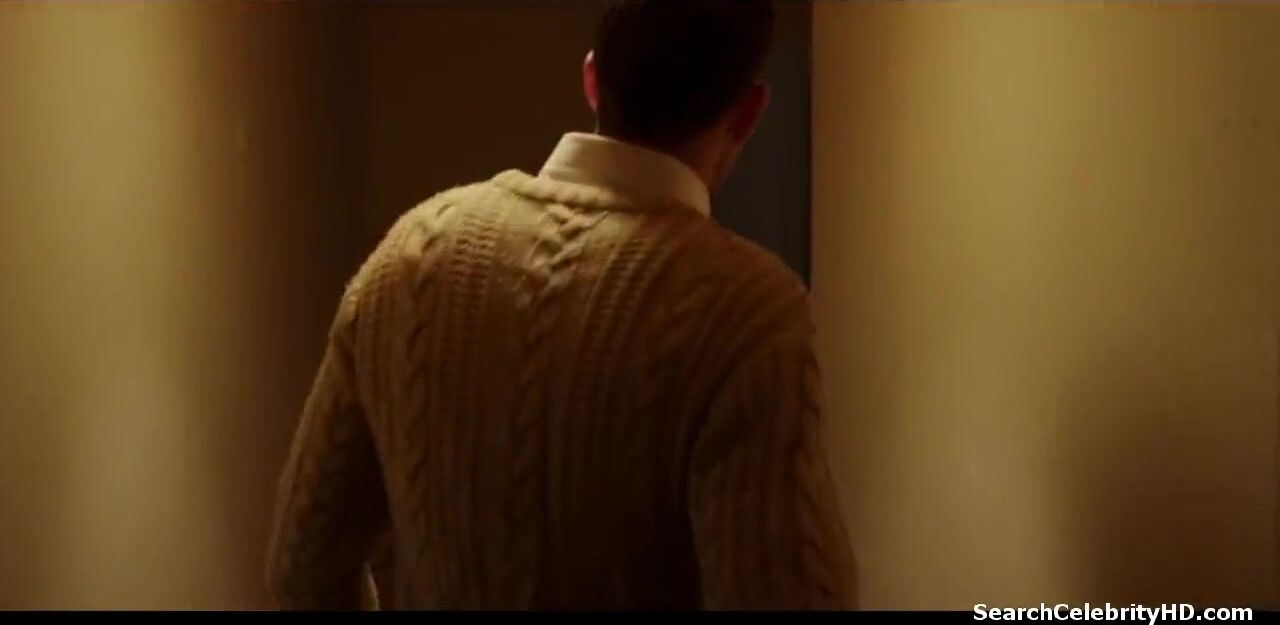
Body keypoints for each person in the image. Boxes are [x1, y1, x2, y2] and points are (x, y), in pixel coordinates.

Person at [266, 0, 856, 610]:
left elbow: (302, 566)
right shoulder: (747, 314)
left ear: (592, 78)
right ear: (749, 112)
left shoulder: (412, 252)